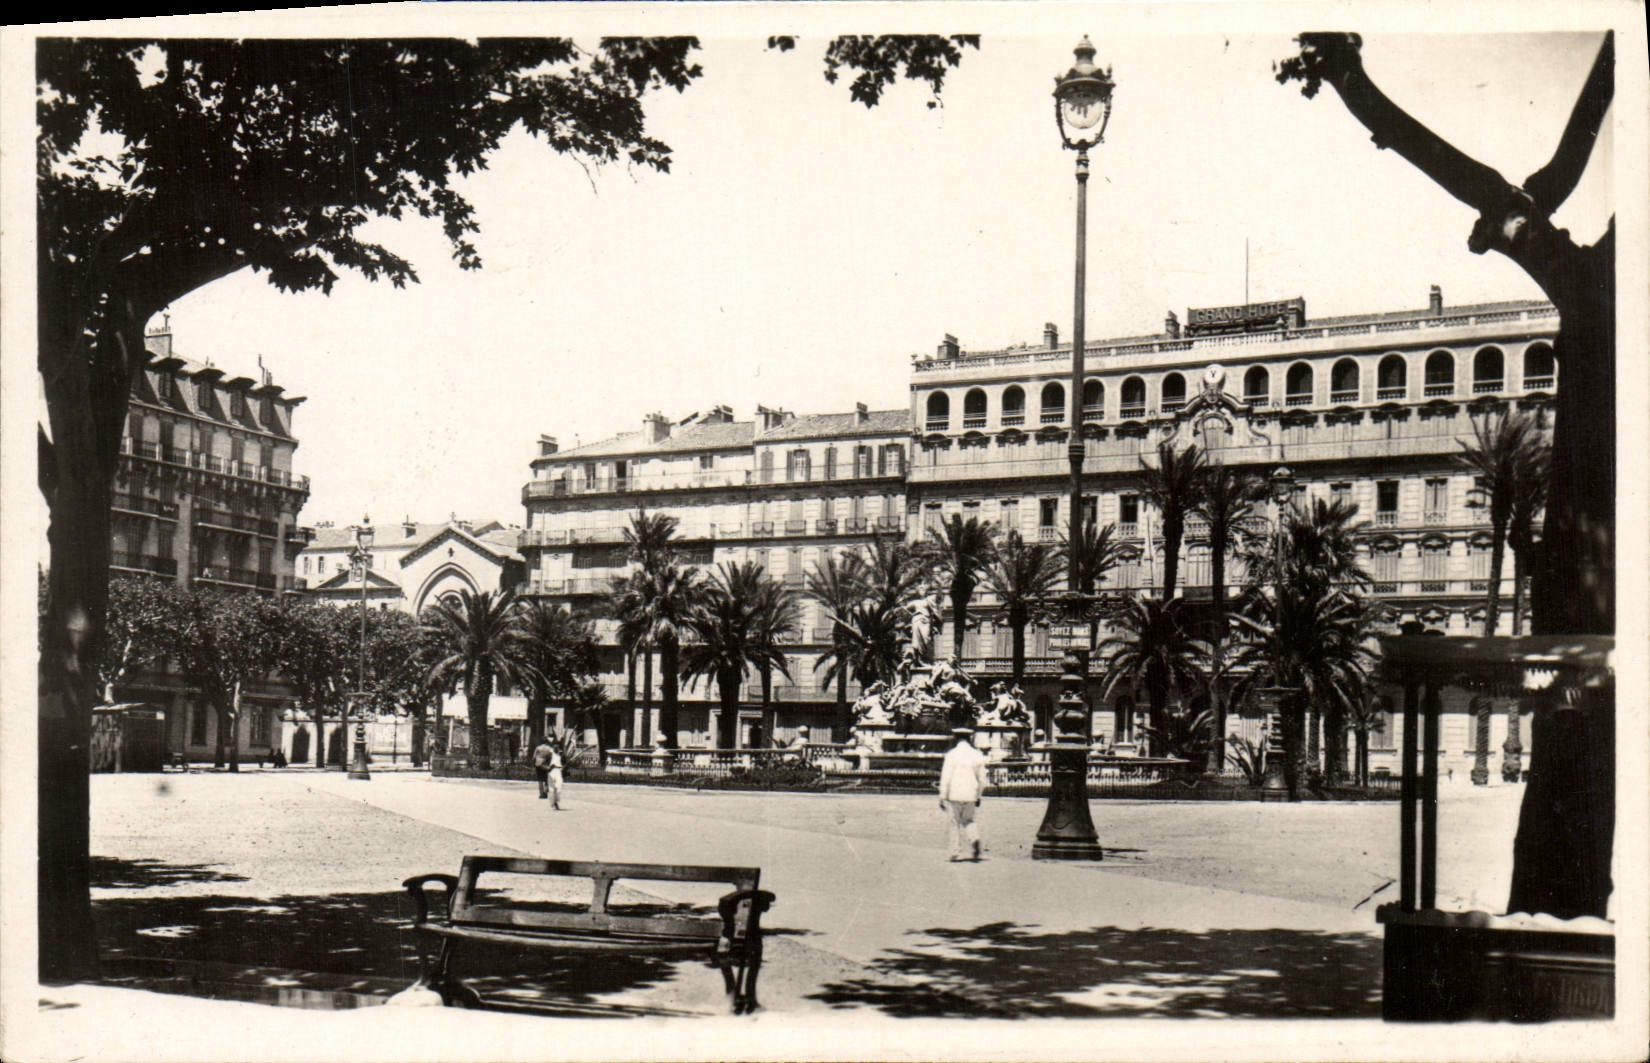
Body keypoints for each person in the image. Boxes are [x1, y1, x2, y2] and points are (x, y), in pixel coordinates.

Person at [938, 726, 988, 862]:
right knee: (969, 821)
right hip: (970, 794)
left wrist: (942, 796)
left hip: (954, 794)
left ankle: (955, 852)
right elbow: (982, 779)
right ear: (970, 738)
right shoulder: (977, 755)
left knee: (954, 823)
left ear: (956, 738)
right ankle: (975, 839)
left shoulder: (951, 754)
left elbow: (946, 776)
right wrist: (979, 795)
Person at [548, 744, 566, 810]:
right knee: (552, 788)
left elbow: (564, 763)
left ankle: (556, 800)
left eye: (557, 748)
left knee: (558, 787)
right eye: (555, 748)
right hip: (552, 771)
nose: (556, 749)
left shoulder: (561, 755)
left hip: (558, 771)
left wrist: (563, 767)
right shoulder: (550, 755)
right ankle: (553, 802)